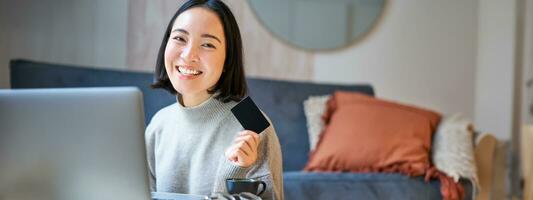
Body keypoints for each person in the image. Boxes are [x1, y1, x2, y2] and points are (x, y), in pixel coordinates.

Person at [144, 0, 284, 199]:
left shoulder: (251, 121)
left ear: (228, 59)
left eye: (207, 44)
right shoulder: (159, 123)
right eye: (179, 38)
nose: (188, 55)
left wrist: (233, 171)